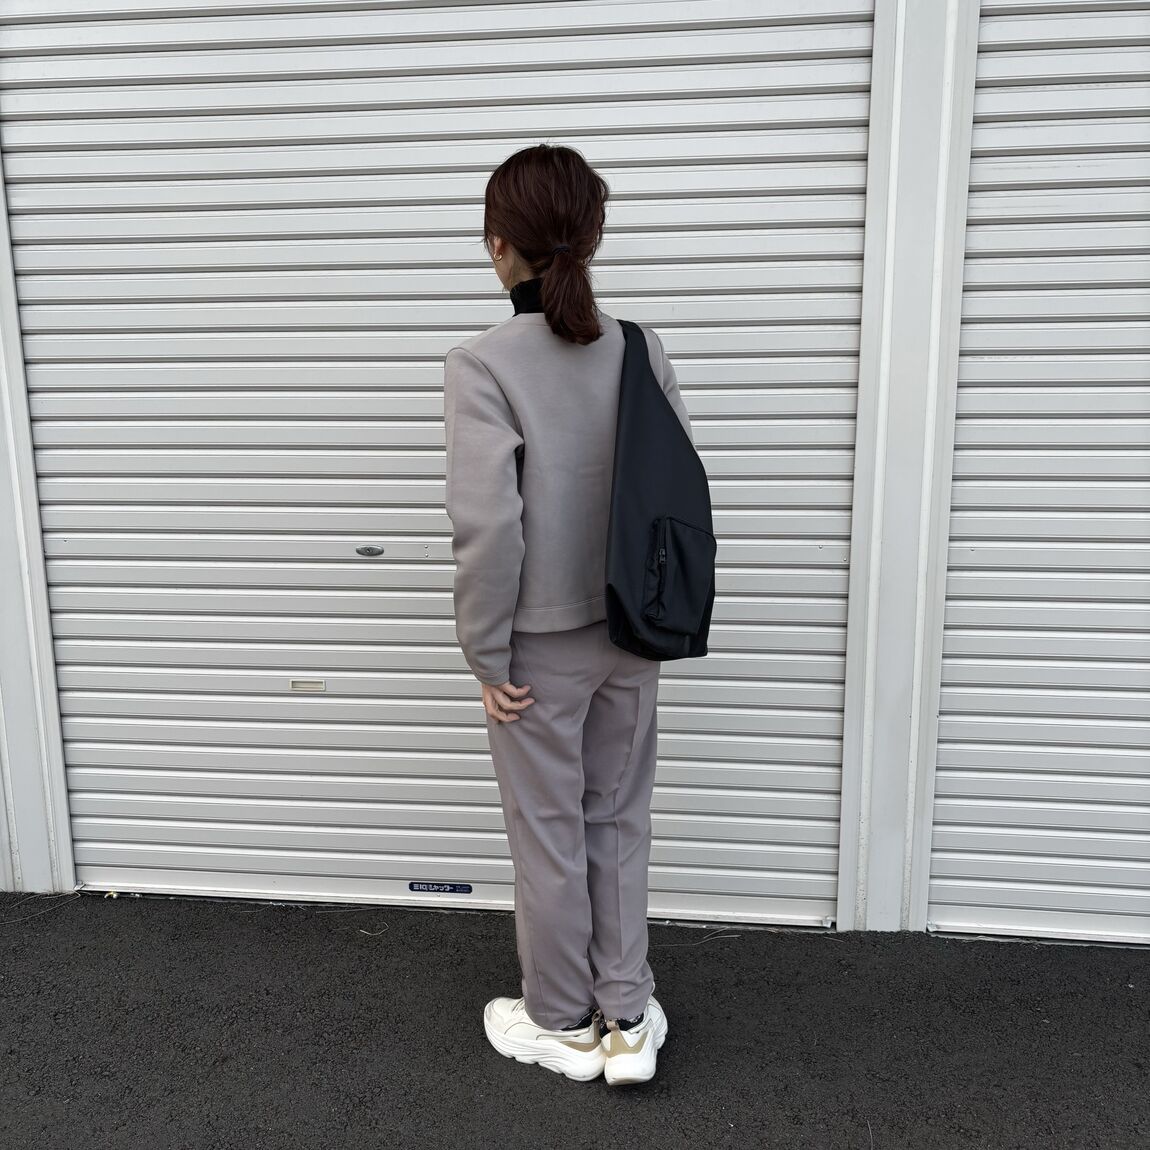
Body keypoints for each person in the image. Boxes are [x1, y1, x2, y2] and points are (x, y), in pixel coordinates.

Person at [441, 143, 695, 1086]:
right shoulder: (640, 347)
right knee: (617, 817)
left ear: (498, 244)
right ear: (590, 237)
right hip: (635, 627)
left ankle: (558, 1020)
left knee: (546, 829)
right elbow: (675, 486)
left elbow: (488, 527)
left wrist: (485, 653)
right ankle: (627, 1016)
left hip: (538, 649)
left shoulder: (481, 363)